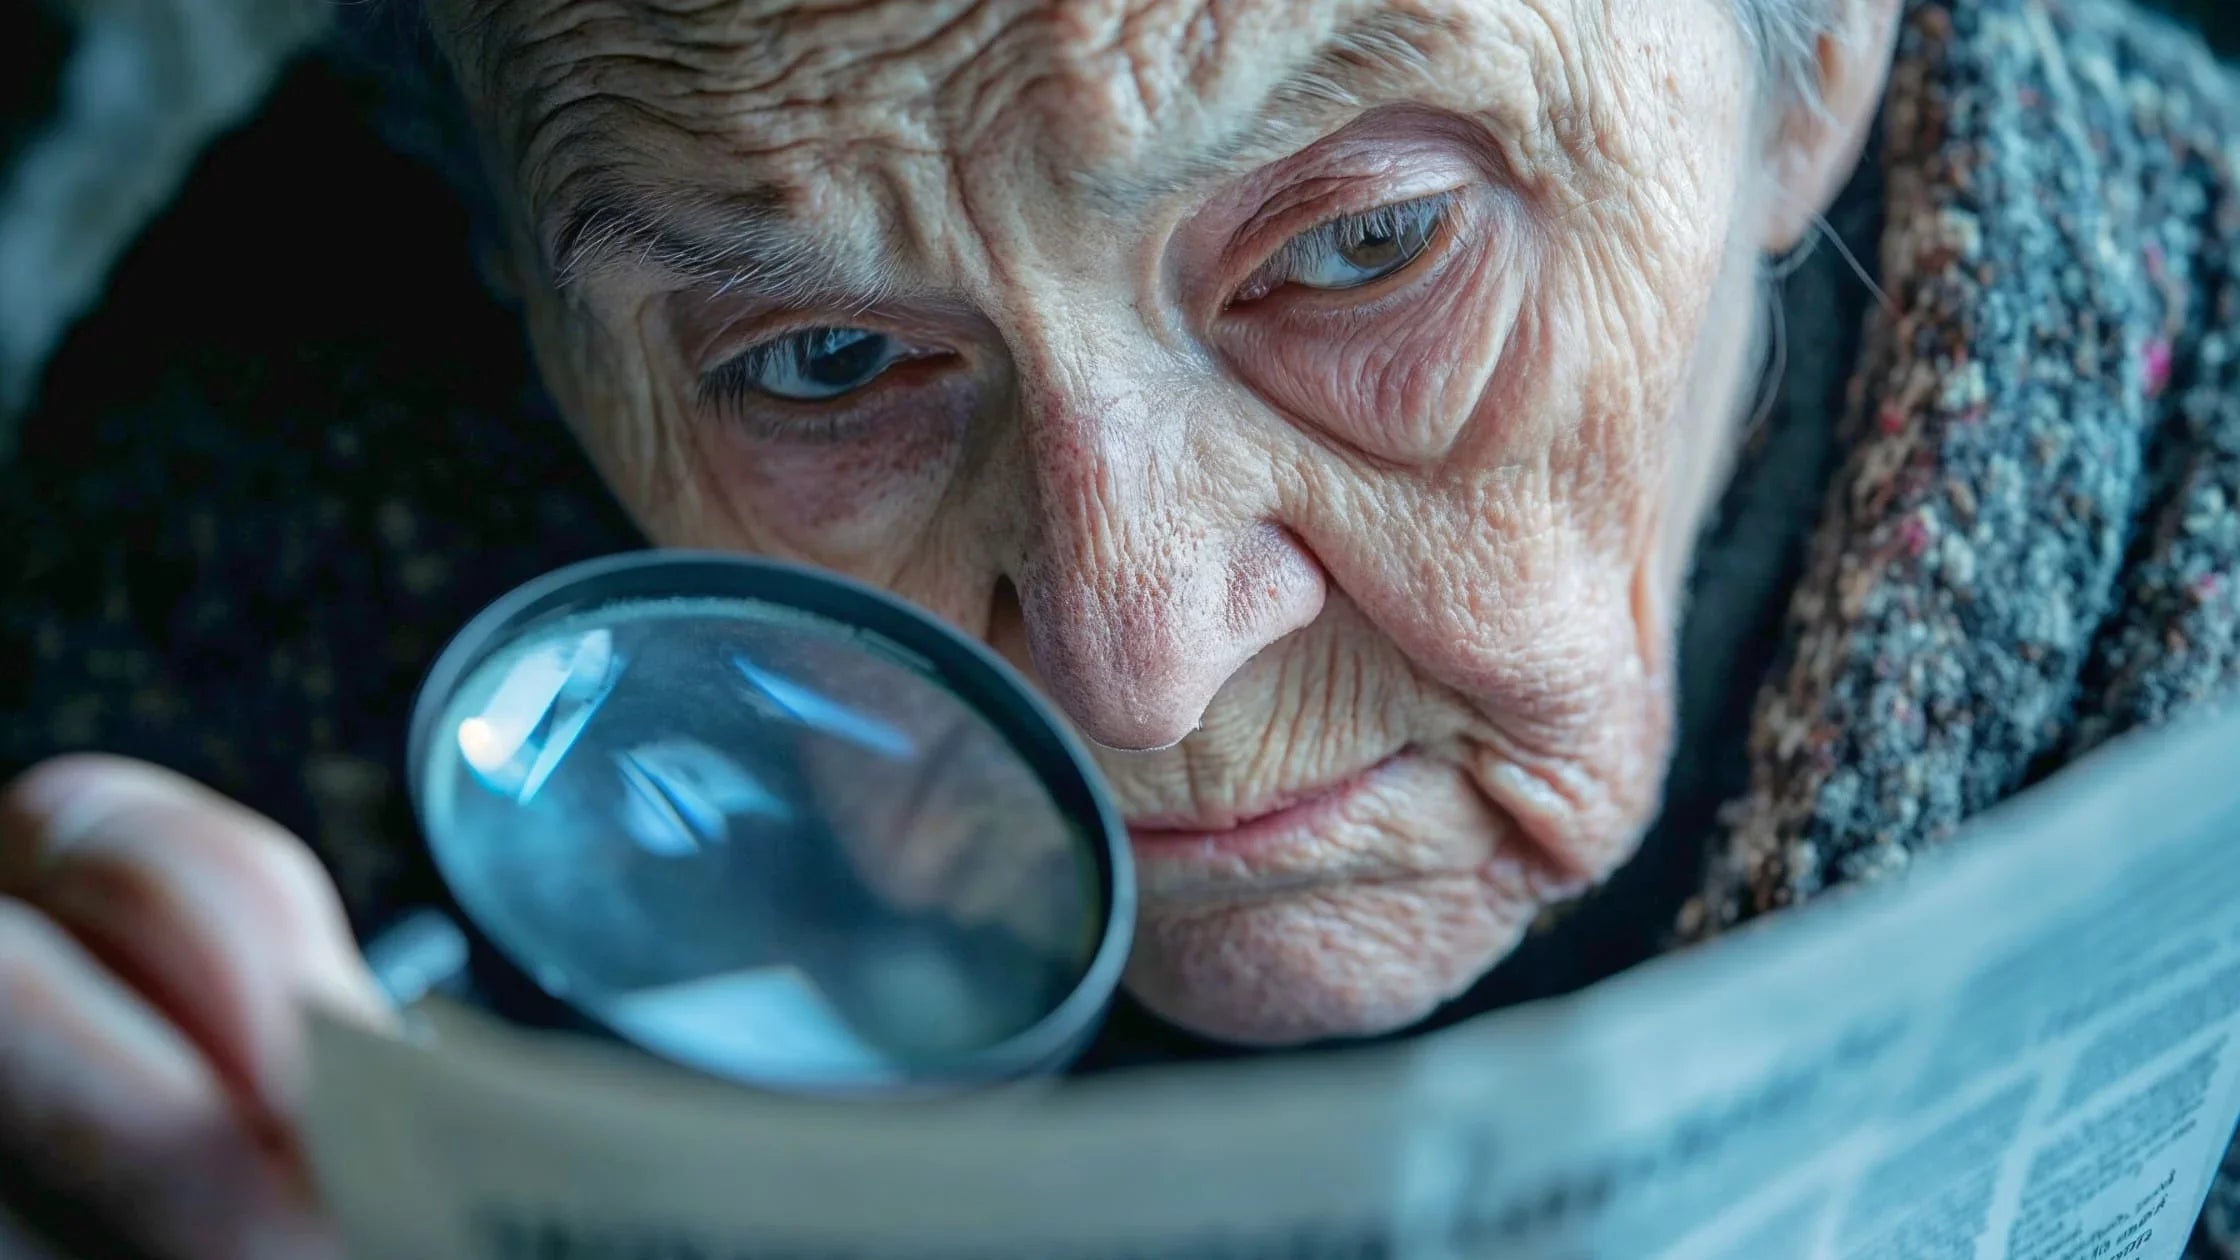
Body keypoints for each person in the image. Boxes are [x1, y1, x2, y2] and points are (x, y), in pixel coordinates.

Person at [5, 0, 2240, 1253]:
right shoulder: (226, 590)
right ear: (524, 299)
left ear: (1818, 54)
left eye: (1360, 249)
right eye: (819, 367)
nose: (1131, 657)